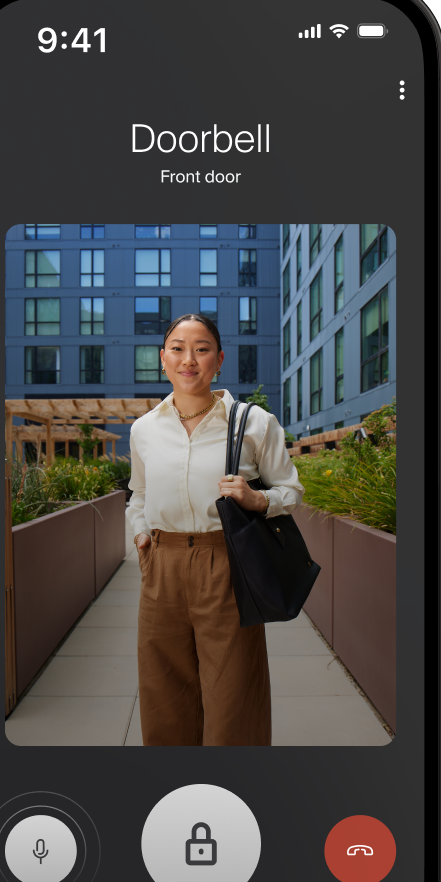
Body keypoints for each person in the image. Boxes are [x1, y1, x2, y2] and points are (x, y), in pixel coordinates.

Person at [126, 314, 304, 746]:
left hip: (225, 563)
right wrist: (141, 538)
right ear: (162, 359)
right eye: (178, 348)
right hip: (162, 563)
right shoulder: (144, 429)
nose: (189, 359)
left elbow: (291, 490)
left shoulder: (254, 423)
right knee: (162, 693)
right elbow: (138, 494)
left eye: (202, 349)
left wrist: (258, 499)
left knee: (232, 696)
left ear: (219, 360)